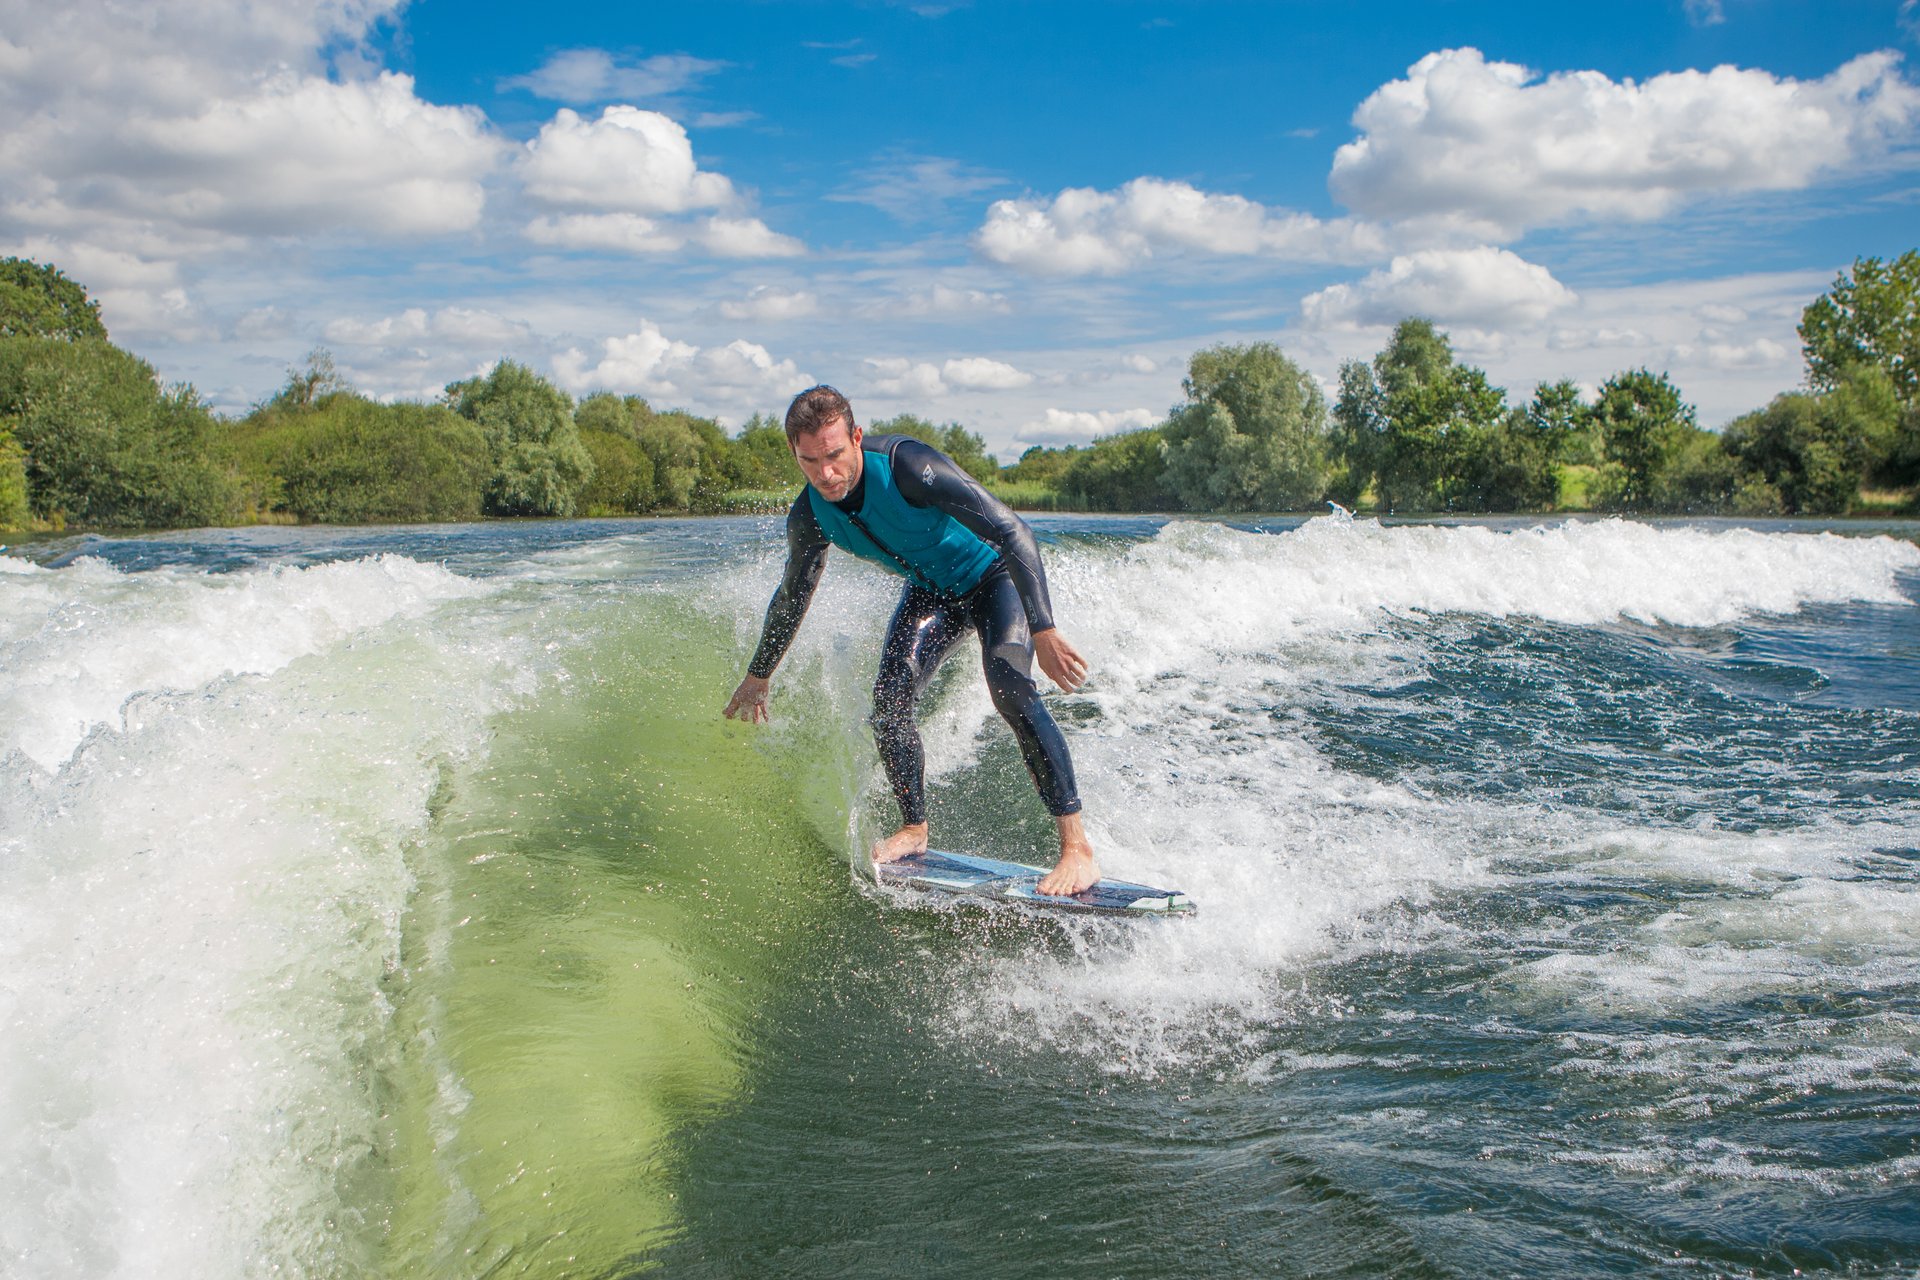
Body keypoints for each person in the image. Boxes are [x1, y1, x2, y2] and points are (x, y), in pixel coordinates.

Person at [723, 385, 1101, 896]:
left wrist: (1044, 628)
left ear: (856, 437)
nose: (826, 473)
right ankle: (915, 828)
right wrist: (759, 674)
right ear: (795, 454)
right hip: (932, 592)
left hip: (994, 578)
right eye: (810, 462)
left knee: (1011, 689)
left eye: (835, 455)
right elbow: (793, 594)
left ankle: (1077, 849)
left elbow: (1013, 530)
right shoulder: (810, 515)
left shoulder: (908, 467)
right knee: (888, 704)